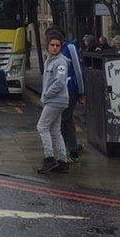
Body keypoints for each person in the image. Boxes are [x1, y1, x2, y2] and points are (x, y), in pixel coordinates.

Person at [47, 27, 86, 159]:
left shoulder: (70, 48)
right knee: (66, 119)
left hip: (71, 89)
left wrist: (81, 91)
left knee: (63, 119)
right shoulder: (54, 52)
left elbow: (78, 70)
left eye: (56, 42)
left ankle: (69, 149)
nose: (53, 46)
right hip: (59, 91)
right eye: (50, 43)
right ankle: (71, 148)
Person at [36, 33, 71, 174]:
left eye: (58, 45)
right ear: (48, 46)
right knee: (55, 131)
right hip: (55, 100)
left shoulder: (60, 62)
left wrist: (46, 94)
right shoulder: (49, 61)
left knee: (42, 127)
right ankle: (63, 162)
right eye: (52, 45)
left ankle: (49, 159)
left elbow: (60, 82)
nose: (55, 48)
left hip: (56, 100)